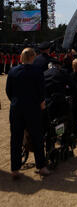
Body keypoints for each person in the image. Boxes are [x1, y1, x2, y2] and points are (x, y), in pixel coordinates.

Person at [6, 48, 50, 179]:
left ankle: (15, 169)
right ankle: (41, 166)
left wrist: (15, 101)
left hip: (16, 108)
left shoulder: (12, 71)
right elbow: (41, 91)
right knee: (37, 137)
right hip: (33, 109)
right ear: (32, 57)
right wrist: (41, 103)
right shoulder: (37, 72)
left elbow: (9, 91)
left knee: (16, 139)